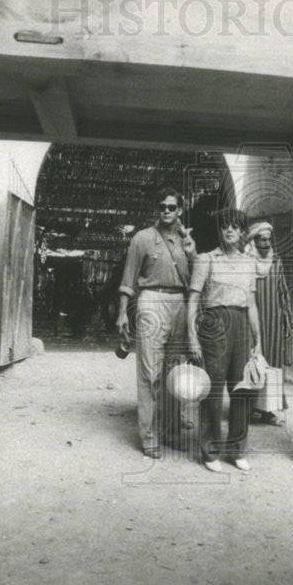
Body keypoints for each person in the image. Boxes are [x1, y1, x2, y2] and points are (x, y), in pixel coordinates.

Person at [117, 187, 196, 460]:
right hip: (151, 300)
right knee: (150, 374)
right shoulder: (142, 238)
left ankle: (172, 432)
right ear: (157, 209)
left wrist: (192, 251)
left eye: (172, 207)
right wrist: (122, 313)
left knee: (174, 374)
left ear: (180, 210)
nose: (166, 211)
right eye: (162, 206)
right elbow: (128, 280)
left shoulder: (186, 240)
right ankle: (149, 437)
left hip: (180, 304)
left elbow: (198, 280)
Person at [187, 208, 262, 473]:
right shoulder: (206, 259)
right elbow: (194, 300)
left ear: (242, 232)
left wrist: (258, 341)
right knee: (213, 389)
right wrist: (192, 337)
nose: (228, 230)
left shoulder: (249, 263)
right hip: (214, 325)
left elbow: (251, 304)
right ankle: (210, 452)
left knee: (242, 390)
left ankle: (237, 450)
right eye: (225, 226)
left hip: (241, 324)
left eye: (234, 227)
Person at [246, 221, 292, 426]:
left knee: (272, 362)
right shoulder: (245, 262)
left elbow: (283, 293)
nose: (265, 243)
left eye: (268, 239)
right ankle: (247, 409)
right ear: (253, 240)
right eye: (261, 239)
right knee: (251, 363)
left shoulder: (276, 262)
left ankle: (268, 411)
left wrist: (287, 322)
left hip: (273, 319)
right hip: (252, 320)